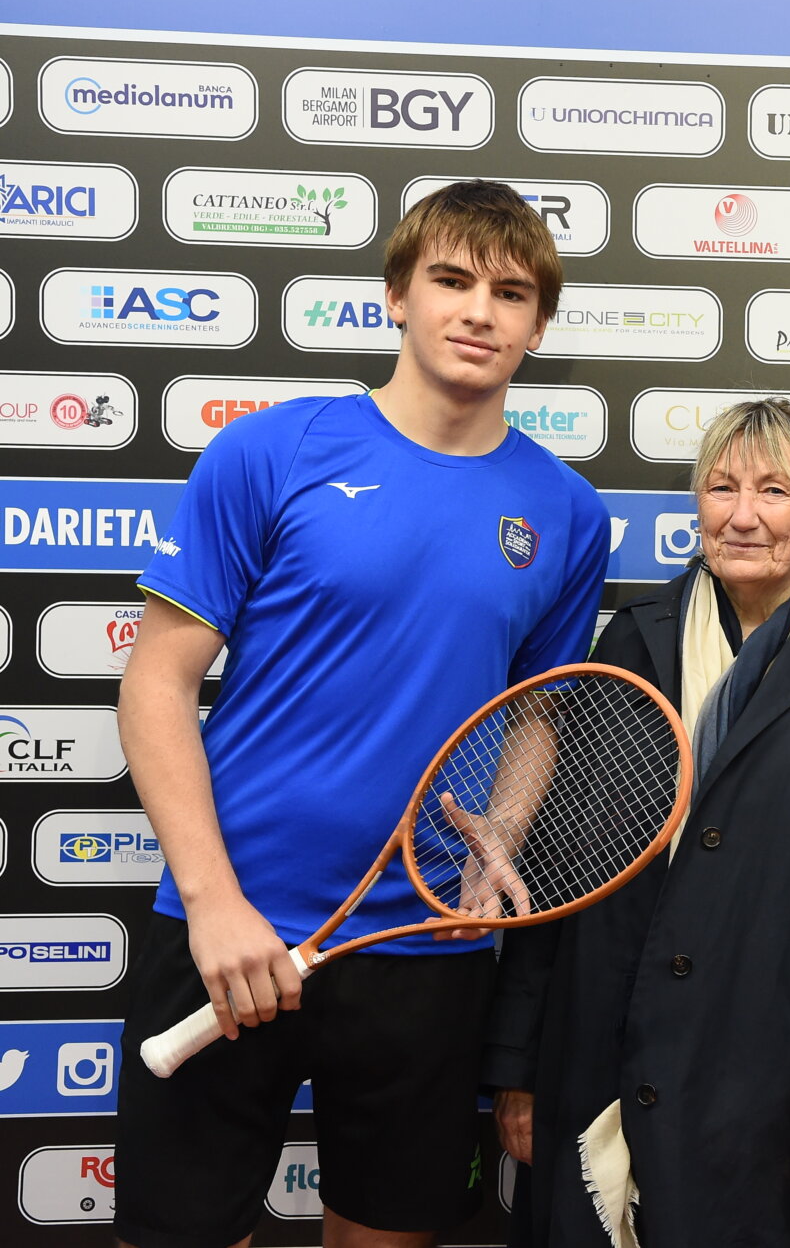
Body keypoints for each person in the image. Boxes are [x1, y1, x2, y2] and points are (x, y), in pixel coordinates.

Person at [114, 179, 611, 1248]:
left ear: (538, 323)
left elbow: (539, 711)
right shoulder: (269, 453)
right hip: (228, 929)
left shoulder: (567, 512)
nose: (480, 311)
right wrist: (212, 903)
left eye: (512, 292)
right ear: (396, 297)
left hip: (420, 945)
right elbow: (156, 682)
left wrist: (505, 836)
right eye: (452, 280)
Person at [483, 398, 790, 1248]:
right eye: (721, 487)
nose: (744, 515)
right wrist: (518, 1065)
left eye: (775, 490)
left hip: (773, 1073)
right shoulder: (631, 641)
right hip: (600, 1052)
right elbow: (563, 859)